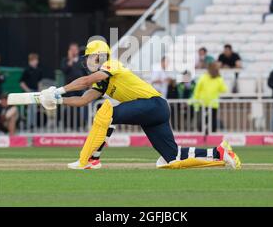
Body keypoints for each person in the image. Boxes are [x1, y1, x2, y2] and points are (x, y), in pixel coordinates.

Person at [38, 39, 241, 170]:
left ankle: (90, 159)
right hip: (154, 110)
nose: (87, 61)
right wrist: (59, 100)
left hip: (153, 105)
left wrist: (58, 90)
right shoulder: (102, 81)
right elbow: (83, 100)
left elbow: (84, 82)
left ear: (99, 55)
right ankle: (220, 153)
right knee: (172, 158)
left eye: (89, 57)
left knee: (105, 111)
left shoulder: (112, 64)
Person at [192, 62, 228, 132]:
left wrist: (196, 100)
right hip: (210, 103)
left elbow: (197, 90)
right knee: (211, 121)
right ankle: (211, 136)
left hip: (204, 103)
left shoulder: (204, 77)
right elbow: (224, 89)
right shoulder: (217, 78)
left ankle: (203, 135)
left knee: (204, 120)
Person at [20, 53, 43, 129]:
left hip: (36, 91)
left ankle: (34, 125)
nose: (36, 62)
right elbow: (21, 82)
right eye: (34, 60)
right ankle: (29, 125)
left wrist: (40, 91)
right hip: (29, 92)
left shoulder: (39, 70)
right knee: (29, 109)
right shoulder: (26, 70)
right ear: (30, 61)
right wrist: (27, 90)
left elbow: (39, 82)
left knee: (34, 109)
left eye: (36, 60)